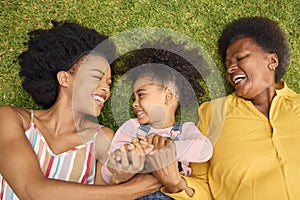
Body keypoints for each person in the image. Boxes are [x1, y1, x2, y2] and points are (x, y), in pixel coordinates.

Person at [0, 20, 161, 200]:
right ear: (64, 79)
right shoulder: (10, 119)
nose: (105, 89)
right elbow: (31, 191)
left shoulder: (103, 138)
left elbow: (100, 192)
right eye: (96, 77)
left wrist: (121, 175)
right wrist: (129, 191)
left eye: (108, 83)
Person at [150, 16, 300, 199]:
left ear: (272, 61)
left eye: (241, 58)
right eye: (228, 65)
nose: (231, 69)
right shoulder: (213, 114)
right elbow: (202, 184)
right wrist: (175, 182)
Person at [101, 37, 213, 199]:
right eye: (134, 98)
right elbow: (106, 174)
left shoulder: (184, 130)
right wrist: (121, 163)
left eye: (141, 95)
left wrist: (170, 150)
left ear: (168, 96)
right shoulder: (132, 127)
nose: (134, 104)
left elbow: (205, 150)